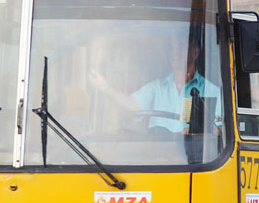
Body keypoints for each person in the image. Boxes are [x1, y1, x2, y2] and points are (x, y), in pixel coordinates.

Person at [89, 33, 221, 134]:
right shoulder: (157, 87)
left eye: (181, 47)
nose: (175, 53)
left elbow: (219, 129)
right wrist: (104, 87)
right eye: (171, 48)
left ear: (196, 52)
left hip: (194, 162)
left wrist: (195, 132)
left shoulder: (211, 91)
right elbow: (131, 104)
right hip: (156, 157)